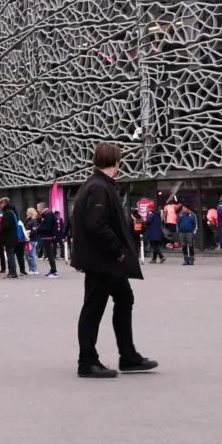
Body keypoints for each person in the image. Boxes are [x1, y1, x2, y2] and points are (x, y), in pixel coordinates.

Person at [71, 142, 156, 379]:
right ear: (117, 162)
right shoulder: (99, 187)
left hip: (103, 259)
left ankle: (127, 356)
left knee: (122, 299)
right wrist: (117, 248)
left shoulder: (96, 185)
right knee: (94, 307)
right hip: (103, 260)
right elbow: (96, 223)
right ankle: (88, 360)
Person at [0, 197, 25, 277]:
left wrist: (1, 230)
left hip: (9, 237)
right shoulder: (13, 211)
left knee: (10, 255)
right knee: (11, 254)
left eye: (1, 203)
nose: (0, 205)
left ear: (5, 203)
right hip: (13, 236)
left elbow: (6, 226)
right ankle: (11, 272)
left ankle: (13, 272)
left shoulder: (8, 212)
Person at [37, 203, 60, 277]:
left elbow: (47, 227)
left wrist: (38, 228)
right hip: (46, 236)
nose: (37, 209)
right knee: (48, 254)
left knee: (49, 254)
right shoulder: (46, 215)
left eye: (38, 208)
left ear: (41, 207)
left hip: (48, 236)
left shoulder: (48, 215)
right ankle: (52, 270)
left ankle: (54, 271)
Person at [24, 207, 42, 275]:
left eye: (27, 212)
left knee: (31, 255)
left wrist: (28, 232)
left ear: (30, 213)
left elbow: (35, 230)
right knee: (28, 255)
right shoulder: (28, 220)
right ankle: (31, 269)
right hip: (29, 239)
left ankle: (34, 269)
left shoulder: (34, 220)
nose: (26, 213)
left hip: (32, 240)